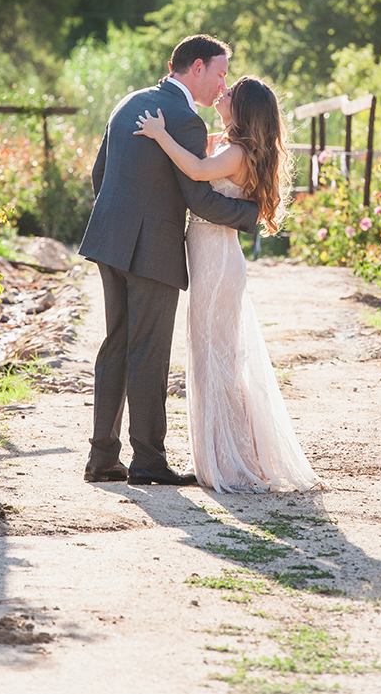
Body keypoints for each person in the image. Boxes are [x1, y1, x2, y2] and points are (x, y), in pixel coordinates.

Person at [78, 35, 259, 486]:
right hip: (152, 250)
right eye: (219, 72)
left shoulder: (129, 101)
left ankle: (102, 460)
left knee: (115, 345)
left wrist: (119, 222)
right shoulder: (184, 120)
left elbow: (98, 174)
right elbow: (200, 199)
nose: (222, 83)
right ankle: (148, 461)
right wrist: (253, 214)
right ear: (195, 67)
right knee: (149, 353)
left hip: (108, 242)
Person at [135, 76, 328, 493]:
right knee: (215, 360)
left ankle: (236, 462)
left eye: (230, 95)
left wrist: (161, 134)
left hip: (217, 263)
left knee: (216, 361)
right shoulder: (232, 144)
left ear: (244, 110)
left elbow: (198, 171)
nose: (221, 94)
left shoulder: (237, 151)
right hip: (215, 257)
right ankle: (233, 455)